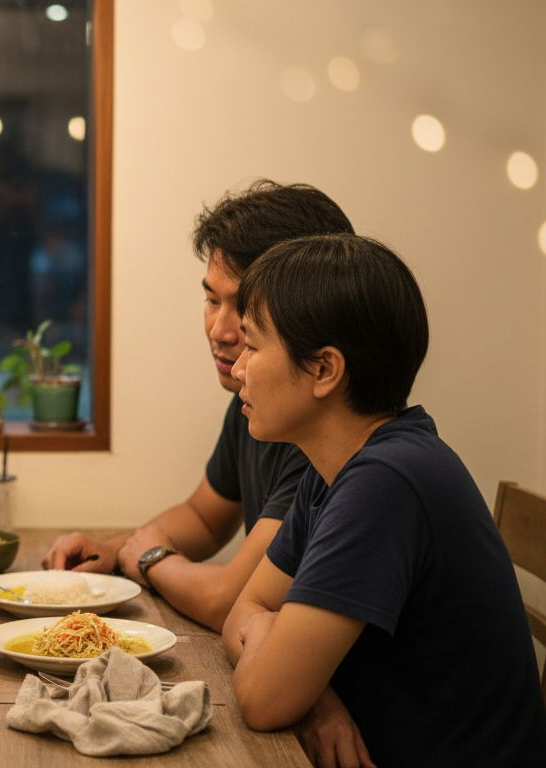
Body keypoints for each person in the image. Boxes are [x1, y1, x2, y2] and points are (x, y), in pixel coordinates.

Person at [223, 235, 546, 767]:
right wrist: (316, 697)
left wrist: (284, 672)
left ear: (324, 370)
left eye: (254, 346)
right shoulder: (335, 468)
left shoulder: (385, 483)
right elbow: (243, 612)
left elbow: (262, 699)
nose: (238, 367)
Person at [43, 181, 354, 633]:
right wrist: (114, 549)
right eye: (211, 300)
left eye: (245, 310)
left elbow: (228, 600)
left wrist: (149, 558)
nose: (220, 330)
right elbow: (205, 518)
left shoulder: (324, 439)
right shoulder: (256, 403)